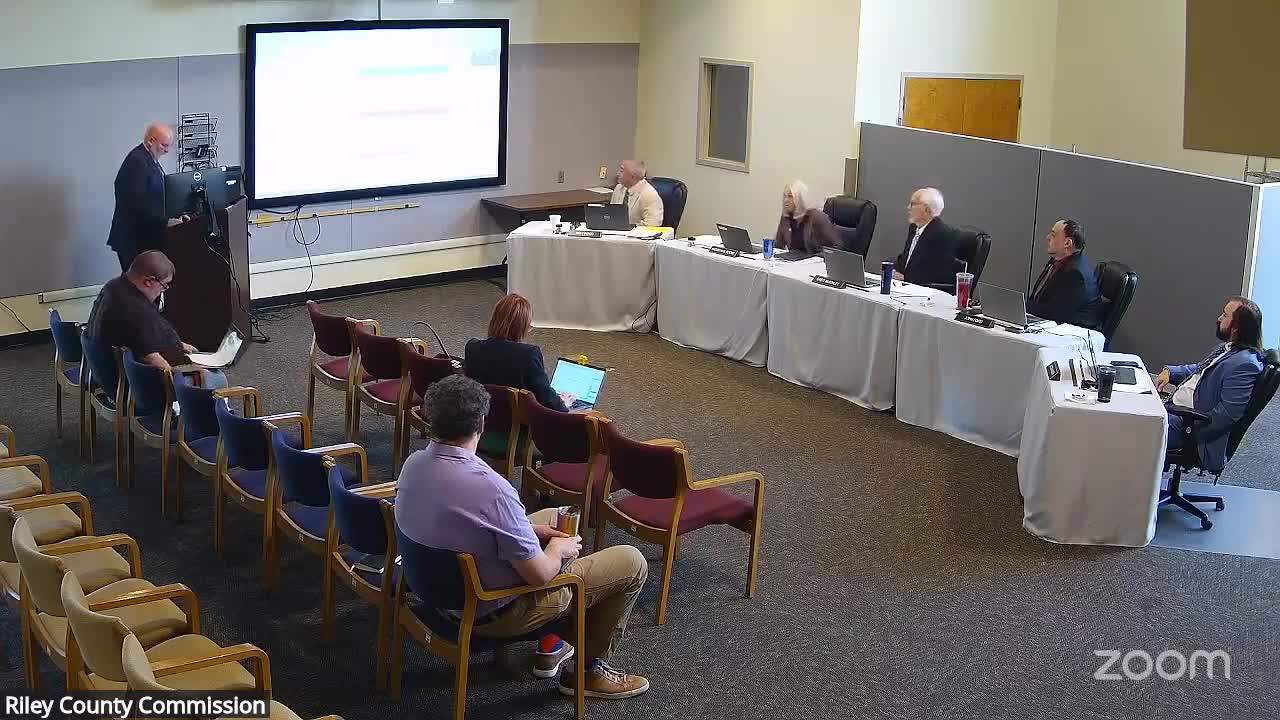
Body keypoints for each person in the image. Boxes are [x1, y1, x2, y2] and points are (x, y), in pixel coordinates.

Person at [396, 375, 650, 699]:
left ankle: (559, 639)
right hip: (491, 610)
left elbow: (463, 520)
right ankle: (587, 672)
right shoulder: (493, 490)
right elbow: (540, 574)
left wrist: (531, 532)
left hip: (435, 592)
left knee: (550, 517)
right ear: (482, 422)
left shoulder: (413, 464)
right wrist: (557, 550)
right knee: (631, 562)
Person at [1154, 296, 1264, 472]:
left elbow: (1227, 414)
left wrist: (1190, 431)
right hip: (1176, 411)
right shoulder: (1229, 349)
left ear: (1236, 327)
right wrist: (1171, 372)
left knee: (1135, 426)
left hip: (1187, 425)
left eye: (1224, 315)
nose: (1219, 318)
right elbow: (1200, 369)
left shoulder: (1245, 364)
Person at [84, 251, 224, 387]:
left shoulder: (113, 287)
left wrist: (179, 345)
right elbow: (154, 361)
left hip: (113, 375)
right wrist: (183, 376)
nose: (163, 290)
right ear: (149, 281)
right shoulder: (135, 310)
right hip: (141, 386)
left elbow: (145, 335)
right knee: (217, 378)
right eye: (164, 285)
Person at [465, 293, 573, 411]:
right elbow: (545, 397)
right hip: (518, 417)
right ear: (522, 326)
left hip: (482, 413)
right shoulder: (529, 354)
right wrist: (563, 404)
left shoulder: (472, 347)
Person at [107, 122, 190, 272]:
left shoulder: (147, 158)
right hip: (134, 239)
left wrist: (176, 213)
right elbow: (138, 204)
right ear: (151, 141)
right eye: (164, 145)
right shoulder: (137, 162)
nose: (167, 150)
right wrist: (166, 221)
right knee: (140, 283)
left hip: (143, 236)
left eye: (169, 146)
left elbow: (156, 196)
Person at [1025, 219, 1103, 329]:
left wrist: (1023, 307)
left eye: (1053, 235)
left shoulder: (1076, 273)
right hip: (1052, 321)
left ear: (1067, 243)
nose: (1047, 237)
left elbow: (1055, 312)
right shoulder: (1059, 262)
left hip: (1074, 330)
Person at [892, 187, 957, 286]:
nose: (908, 207)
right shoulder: (914, 228)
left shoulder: (941, 233)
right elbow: (905, 259)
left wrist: (905, 278)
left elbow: (933, 273)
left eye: (912, 204)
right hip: (905, 286)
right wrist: (894, 270)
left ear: (926, 209)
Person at [773, 180, 839, 256]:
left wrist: (817, 257)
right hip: (794, 260)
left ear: (800, 198)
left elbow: (836, 247)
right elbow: (778, 245)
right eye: (785, 196)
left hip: (815, 260)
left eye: (790, 196)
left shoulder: (817, 217)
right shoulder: (786, 217)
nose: (785, 200)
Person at [609, 160, 664, 227]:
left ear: (632, 176)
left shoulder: (649, 195)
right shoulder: (619, 188)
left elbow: (652, 225)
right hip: (614, 231)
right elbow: (611, 213)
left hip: (635, 232)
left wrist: (628, 227)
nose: (617, 174)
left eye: (621, 171)